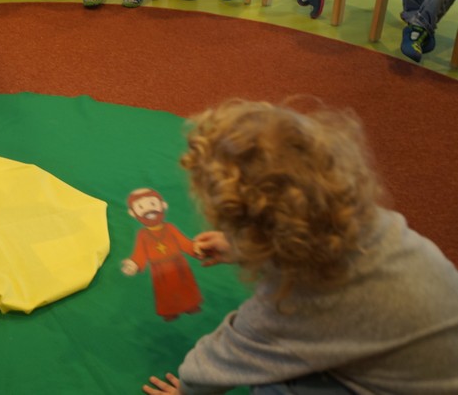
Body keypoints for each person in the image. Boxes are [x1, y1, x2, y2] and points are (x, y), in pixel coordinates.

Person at [142, 99, 458, 394]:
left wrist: (186, 389)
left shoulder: (301, 301)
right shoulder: (371, 221)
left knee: (272, 384)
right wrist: (244, 247)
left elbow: (228, 358)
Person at [121, 188, 203, 321]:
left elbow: (183, 242)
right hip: (159, 270)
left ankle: (190, 305)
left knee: (185, 286)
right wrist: (134, 264)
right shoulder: (142, 234)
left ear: (163, 205)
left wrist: (195, 248)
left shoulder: (170, 227)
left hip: (178, 264)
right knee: (165, 291)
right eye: (141, 207)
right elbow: (139, 253)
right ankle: (169, 311)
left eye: (152, 204)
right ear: (133, 213)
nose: (148, 210)